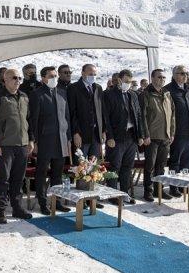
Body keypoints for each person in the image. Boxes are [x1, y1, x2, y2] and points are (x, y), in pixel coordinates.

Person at [0, 68, 34, 223]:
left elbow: (29, 121)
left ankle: (17, 208)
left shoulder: (24, 97)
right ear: (5, 80)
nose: (18, 81)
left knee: (18, 179)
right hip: (5, 145)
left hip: (22, 144)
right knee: (3, 179)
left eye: (19, 78)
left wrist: (31, 140)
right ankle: (1, 210)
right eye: (14, 78)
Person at [30, 66, 72, 214]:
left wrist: (68, 137)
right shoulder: (37, 94)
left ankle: (57, 201)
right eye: (51, 76)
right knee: (41, 173)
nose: (54, 78)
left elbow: (67, 117)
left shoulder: (61, 92)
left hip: (61, 139)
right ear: (43, 78)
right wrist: (33, 140)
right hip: (44, 140)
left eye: (55, 76)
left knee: (57, 174)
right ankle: (42, 203)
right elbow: (33, 120)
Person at [103, 69, 143, 203]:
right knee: (114, 166)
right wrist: (109, 137)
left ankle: (124, 194)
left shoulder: (133, 94)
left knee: (127, 166)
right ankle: (112, 194)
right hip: (116, 137)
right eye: (126, 81)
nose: (128, 84)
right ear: (119, 80)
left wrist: (141, 135)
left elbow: (138, 116)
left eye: (130, 82)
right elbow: (106, 118)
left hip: (131, 136)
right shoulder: (109, 95)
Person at [164, 65, 189, 194]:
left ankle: (185, 185)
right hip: (177, 132)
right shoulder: (168, 90)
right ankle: (173, 186)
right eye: (181, 73)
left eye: (186, 73)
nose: (184, 75)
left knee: (188, 161)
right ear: (174, 75)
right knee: (175, 161)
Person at [139, 69, 175, 201]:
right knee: (150, 166)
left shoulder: (167, 94)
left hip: (165, 136)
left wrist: (172, 132)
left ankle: (158, 190)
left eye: (164, 78)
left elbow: (172, 115)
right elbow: (142, 116)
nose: (162, 80)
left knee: (161, 166)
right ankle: (148, 191)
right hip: (152, 136)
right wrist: (145, 135)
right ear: (152, 78)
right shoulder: (146, 94)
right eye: (159, 77)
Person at [67, 64, 105, 159]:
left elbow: (101, 111)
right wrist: (76, 133)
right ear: (82, 73)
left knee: (94, 167)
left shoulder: (98, 88)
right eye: (90, 74)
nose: (93, 76)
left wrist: (103, 130)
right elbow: (72, 113)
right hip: (81, 135)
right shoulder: (73, 88)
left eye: (94, 74)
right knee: (80, 167)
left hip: (96, 135)